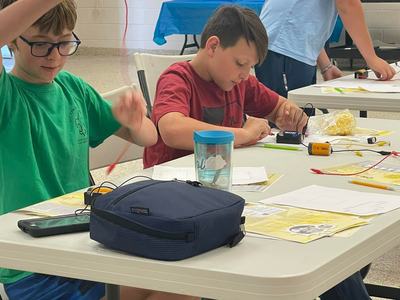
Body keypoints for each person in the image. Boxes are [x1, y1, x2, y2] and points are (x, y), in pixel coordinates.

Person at [143, 5, 371, 300]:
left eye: (250, 67)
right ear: (213, 46)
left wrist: (289, 114)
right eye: (240, 63)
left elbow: (277, 106)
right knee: (311, 250)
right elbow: (171, 128)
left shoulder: (239, 81)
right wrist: (242, 135)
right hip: (177, 208)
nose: (245, 74)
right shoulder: (178, 78)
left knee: (328, 243)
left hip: (228, 199)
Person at [0, 1, 197, 299]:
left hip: (84, 248)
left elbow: (148, 136)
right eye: (41, 44)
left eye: (64, 42)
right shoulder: (6, 95)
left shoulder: (73, 88)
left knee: (184, 283)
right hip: (32, 265)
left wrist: (133, 121)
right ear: (13, 39)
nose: (54, 56)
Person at [255, 0, 396, 100]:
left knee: (301, 119)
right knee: (287, 124)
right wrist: (371, 57)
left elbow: (306, 16)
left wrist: (326, 65)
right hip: (282, 46)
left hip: (289, 45)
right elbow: (347, 4)